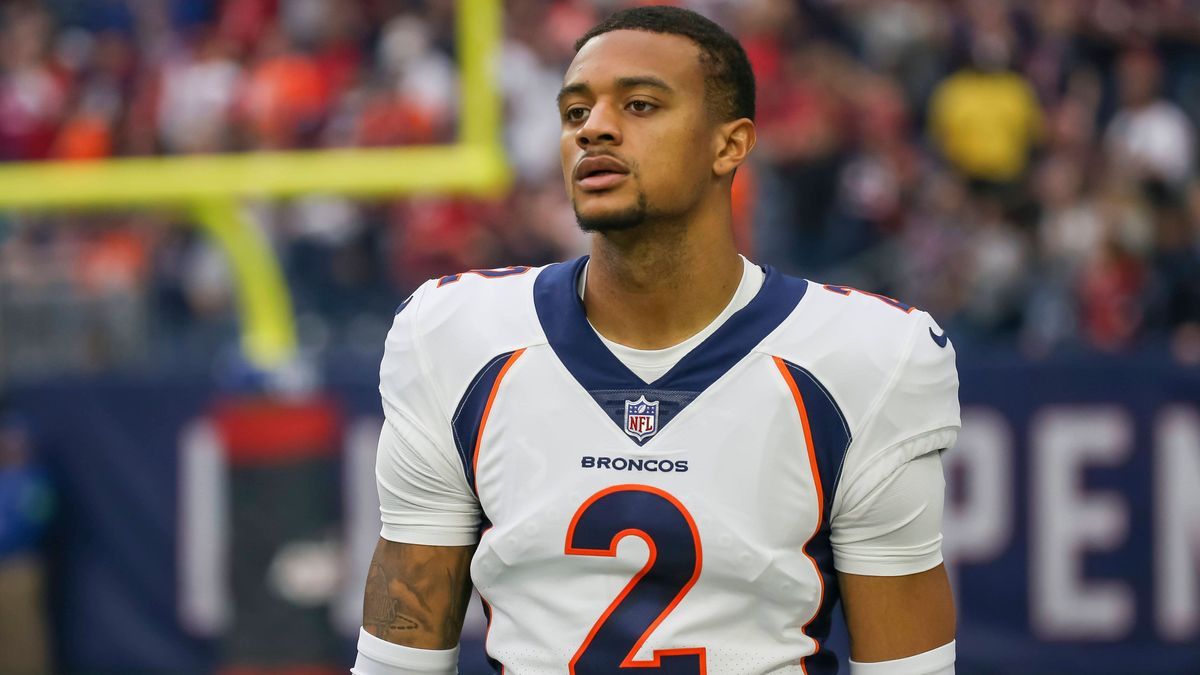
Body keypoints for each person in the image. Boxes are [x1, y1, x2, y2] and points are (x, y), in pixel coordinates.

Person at [354, 6, 959, 674]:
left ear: (730, 145)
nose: (596, 128)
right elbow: (398, 663)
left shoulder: (866, 356)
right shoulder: (454, 335)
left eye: (640, 104)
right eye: (575, 111)